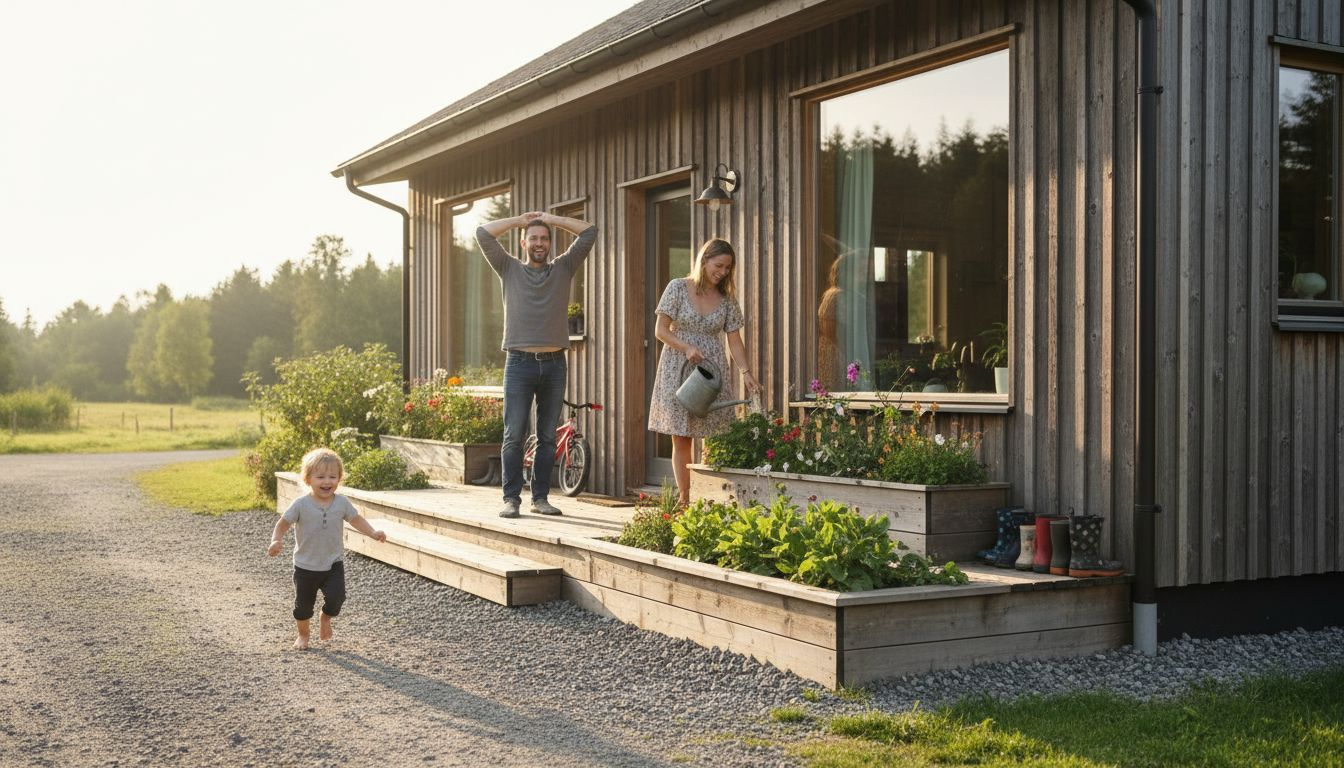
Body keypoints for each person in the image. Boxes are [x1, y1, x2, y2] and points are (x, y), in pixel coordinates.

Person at [477, 211, 597, 518]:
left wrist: (551, 220)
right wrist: (520, 220)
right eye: (534, 238)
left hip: (555, 364)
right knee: (513, 435)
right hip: (518, 363)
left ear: (550, 242)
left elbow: (589, 232)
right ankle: (511, 499)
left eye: (545, 238)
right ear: (523, 242)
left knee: (547, 437)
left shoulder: (564, 267)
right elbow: (482, 233)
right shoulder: (508, 267)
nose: (540, 243)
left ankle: (540, 498)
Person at [648, 238, 761, 505]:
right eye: (718, 265)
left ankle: (709, 497)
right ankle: (685, 498)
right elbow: (660, 330)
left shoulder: (727, 300)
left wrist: (746, 372)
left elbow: (734, 340)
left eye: (727, 268)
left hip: (711, 370)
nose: (722, 272)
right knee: (682, 435)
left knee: (713, 434)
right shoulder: (677, 288)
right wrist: (686, 347)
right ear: (704, 259)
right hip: (678, 367)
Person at [266, 447, 386, 650]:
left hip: (333, 564)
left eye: (332, 476)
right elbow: (283, 523)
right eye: (320, 476)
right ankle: (303, 635)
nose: (327, 481)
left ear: (339, 478)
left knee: (337, 598)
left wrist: (373, 533)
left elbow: (356, 519)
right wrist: (275, 540)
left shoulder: (341, 503)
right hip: (305, 566)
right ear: (307, 479)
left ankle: (325, 617)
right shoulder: (301, 504)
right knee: (303, 607)